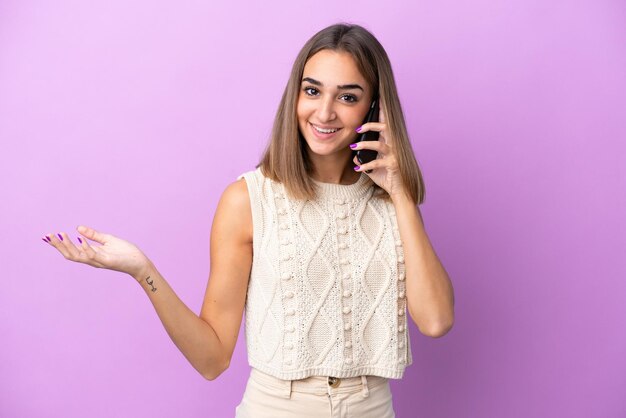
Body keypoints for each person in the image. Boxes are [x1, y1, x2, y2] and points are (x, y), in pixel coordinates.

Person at [42, 23, 455, 418]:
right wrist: (142, 270)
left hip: (373, 408)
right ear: (295, 95)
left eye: (348, 97)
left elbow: (436, 321)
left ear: (375, 106)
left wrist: (401, 193)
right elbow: (212, 358)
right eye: (312, 91)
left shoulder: (391, 202)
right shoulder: (248, 200)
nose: (325, 112)